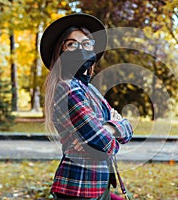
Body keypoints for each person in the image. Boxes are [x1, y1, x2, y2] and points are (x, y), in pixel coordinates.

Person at [40, 13, 133, 199]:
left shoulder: (90, 89)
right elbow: (104, 144)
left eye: (87, 44)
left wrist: (108, 127)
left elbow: (128, 128)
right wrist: (112, 128)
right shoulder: (67, 88)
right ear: (61, 52)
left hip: (100, 184)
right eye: (72, 44)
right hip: (79, 188)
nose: (80, 49)